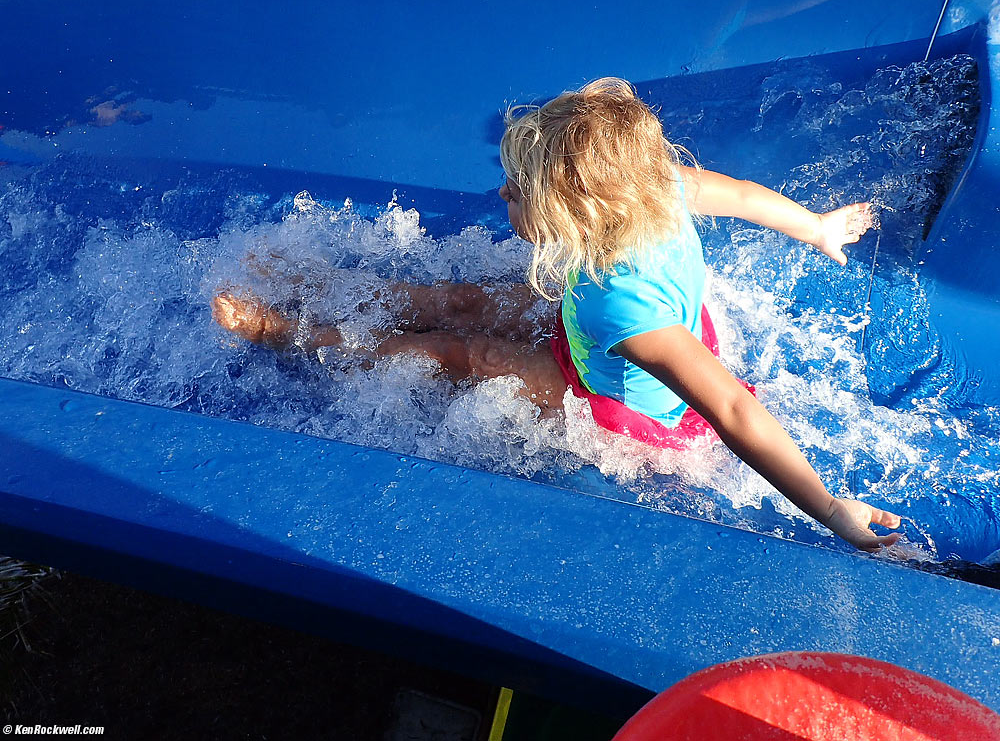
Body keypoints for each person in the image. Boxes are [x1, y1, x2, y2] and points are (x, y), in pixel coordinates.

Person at [212, 77, 902, 552]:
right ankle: (325, 282)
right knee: (466, 301)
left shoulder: (619, 304)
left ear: (575, 215)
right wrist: (814, 227)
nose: (500, 192)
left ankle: (291, 334)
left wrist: (831, 508)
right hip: (599, 331)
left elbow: (731, 408)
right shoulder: (651, 185)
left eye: (516, 192)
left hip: (619, 403)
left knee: (465, 352)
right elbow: (749, 196)